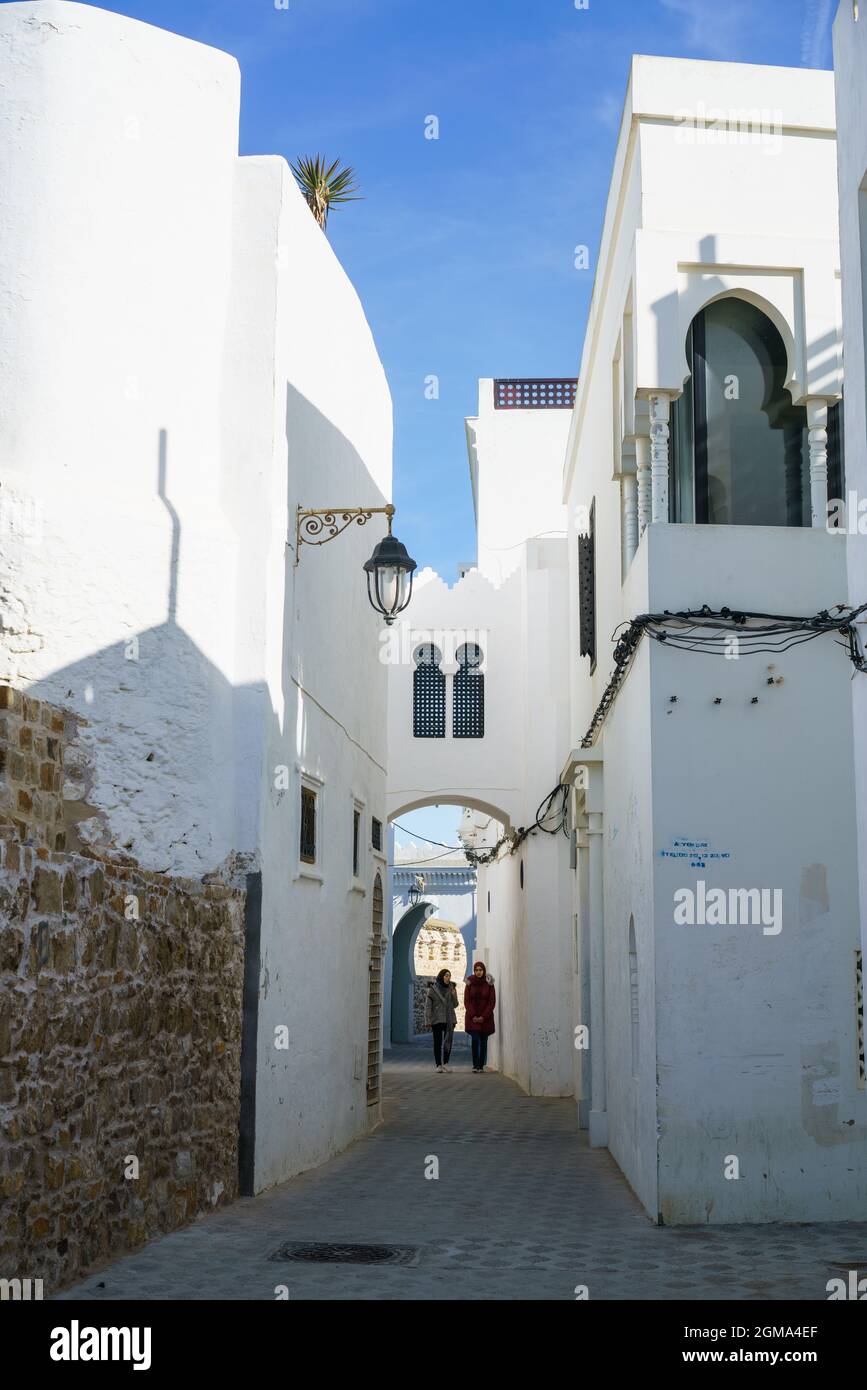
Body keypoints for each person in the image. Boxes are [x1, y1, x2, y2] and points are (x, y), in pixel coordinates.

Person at [424, 968, 458, 1072]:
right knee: (437, 1042)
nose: (448, 978)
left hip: (449, 1019)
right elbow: (428, 1006)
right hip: (437, 1019)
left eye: (449, 976)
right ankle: (438, 1064)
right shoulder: (433, 989)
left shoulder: (452, 988)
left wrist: (454, 996)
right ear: (441, 976)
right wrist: (428, 1021)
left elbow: (456, 1005)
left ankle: (446, 1063)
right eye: (446, 975)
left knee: (448, 1041)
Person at [464, 960, 496, 1072]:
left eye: (480, 970)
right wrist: (473, 1015)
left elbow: (492, 1002)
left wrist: (483, 1016)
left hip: (485, 1019)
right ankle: (475, 1065)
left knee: (483, 1042)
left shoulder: (489, 983)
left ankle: (481, 1066)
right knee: (475, 1040)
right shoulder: (469, 983)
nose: (478, 972)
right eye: (476, 970)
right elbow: (466, 1001)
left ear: (484, 970)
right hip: (472, 1018)